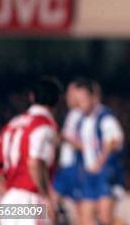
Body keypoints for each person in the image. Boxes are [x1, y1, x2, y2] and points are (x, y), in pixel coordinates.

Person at [0, 76, 62, 225]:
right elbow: (34, 162)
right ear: (58, 100)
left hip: (10, 201)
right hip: (32, 199)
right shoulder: (45, 125)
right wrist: (47, 198)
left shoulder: (14, 123)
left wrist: (8, 195)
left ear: (32, 97)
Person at [74, 79, 124, 225]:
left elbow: (114, 141)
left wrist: (99, 162)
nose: (80, 104)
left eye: (83, 100)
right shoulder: (82, 120)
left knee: (105, 218)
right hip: (90, 175)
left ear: (94, 97)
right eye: (78, 100)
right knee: (85, 218)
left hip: (106, 173)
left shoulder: (105, 117)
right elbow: (86, 145)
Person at [52, 79, 84, 219]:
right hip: (65, 168)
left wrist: (65, 138)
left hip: (76, 168)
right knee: (51, 202)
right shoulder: (72, 115)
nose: (68, 97)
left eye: (71, 93)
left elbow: (85, 145)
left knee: (83, 213)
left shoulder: (84, 116)